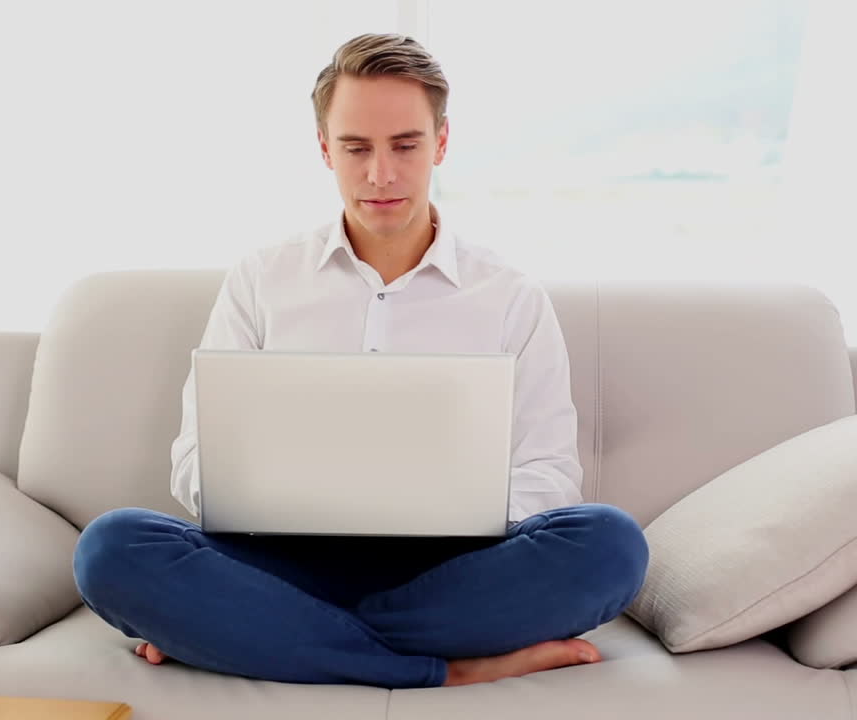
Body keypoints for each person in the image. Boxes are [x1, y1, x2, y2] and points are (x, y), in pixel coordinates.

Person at [72, 33, 649, 689]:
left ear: (441, 142)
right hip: (280, 562)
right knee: (112, 548)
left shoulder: (510, 296)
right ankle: (449, 670)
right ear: (325, 148)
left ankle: (257, 636)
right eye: (356, 148)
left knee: (610, 545)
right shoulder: (262, 279)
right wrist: (287, 494)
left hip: (454, 571)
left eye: (405, 145)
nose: (381, 174)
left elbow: (550, 472)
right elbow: (194, 461)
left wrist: (448, 507)